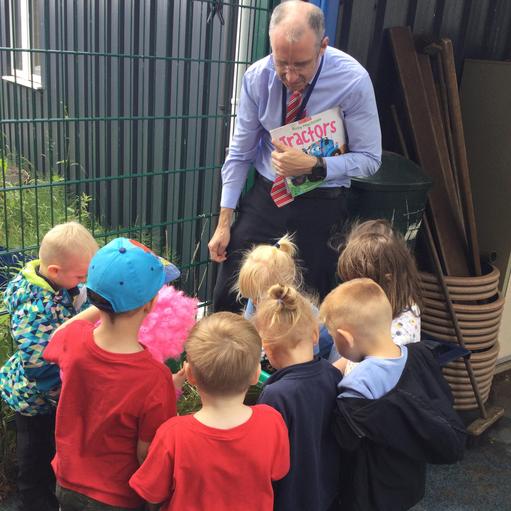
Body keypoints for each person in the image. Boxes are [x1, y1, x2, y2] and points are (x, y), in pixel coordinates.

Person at [208, 0, 381, 312]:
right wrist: (224, 222)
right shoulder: (257, 77)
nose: (289, 76)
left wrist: (316, 165)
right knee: (232, 286)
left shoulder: (352, 81)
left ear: (323, 46)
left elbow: (370, 159)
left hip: (322, 200)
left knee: (305, 302)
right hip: (268, 194)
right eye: (281, 63)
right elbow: (240, 151)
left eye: (300, 64)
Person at [43, 238, 180, 511]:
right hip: (117, 497)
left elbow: (59, 335)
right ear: (151, 303)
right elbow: (146, 453)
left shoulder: (73, 340)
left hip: (67, 484)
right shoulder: (155, 377)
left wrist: (103, 303)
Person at [320, 279, 466, 511]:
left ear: (346, 338)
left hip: (372, 488)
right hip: (407, 478)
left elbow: (344, 439)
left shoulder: (359, 384)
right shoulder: (418, 355)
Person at [129, 312, 290, 511]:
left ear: (190, 374)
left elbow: (153, 493)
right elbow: (278, 471)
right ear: (256, 374)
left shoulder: (173, 434)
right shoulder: (272, 421)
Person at [0, 221, 98, 511]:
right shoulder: (34, 306)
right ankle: (31, 499)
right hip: (34, 397)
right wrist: (61, 396)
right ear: (55, 271)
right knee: (34, 451)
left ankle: (49, 491)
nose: (84, 281)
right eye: (81, 276)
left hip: (53, 389)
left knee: (51, 446)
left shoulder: (60, 285)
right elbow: (38, 363)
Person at [253, 284, 341, 511]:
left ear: (267, 348)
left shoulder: (275, 395)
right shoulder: (331, 374)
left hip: (289, 496)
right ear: (315, 335)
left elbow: (264, 456)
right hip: (326, 489)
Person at [333, 219, 422, 372]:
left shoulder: (396, 339)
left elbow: (364, 374)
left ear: (386, 281)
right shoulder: (381, 307)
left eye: (357, 287)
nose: (349, 292)